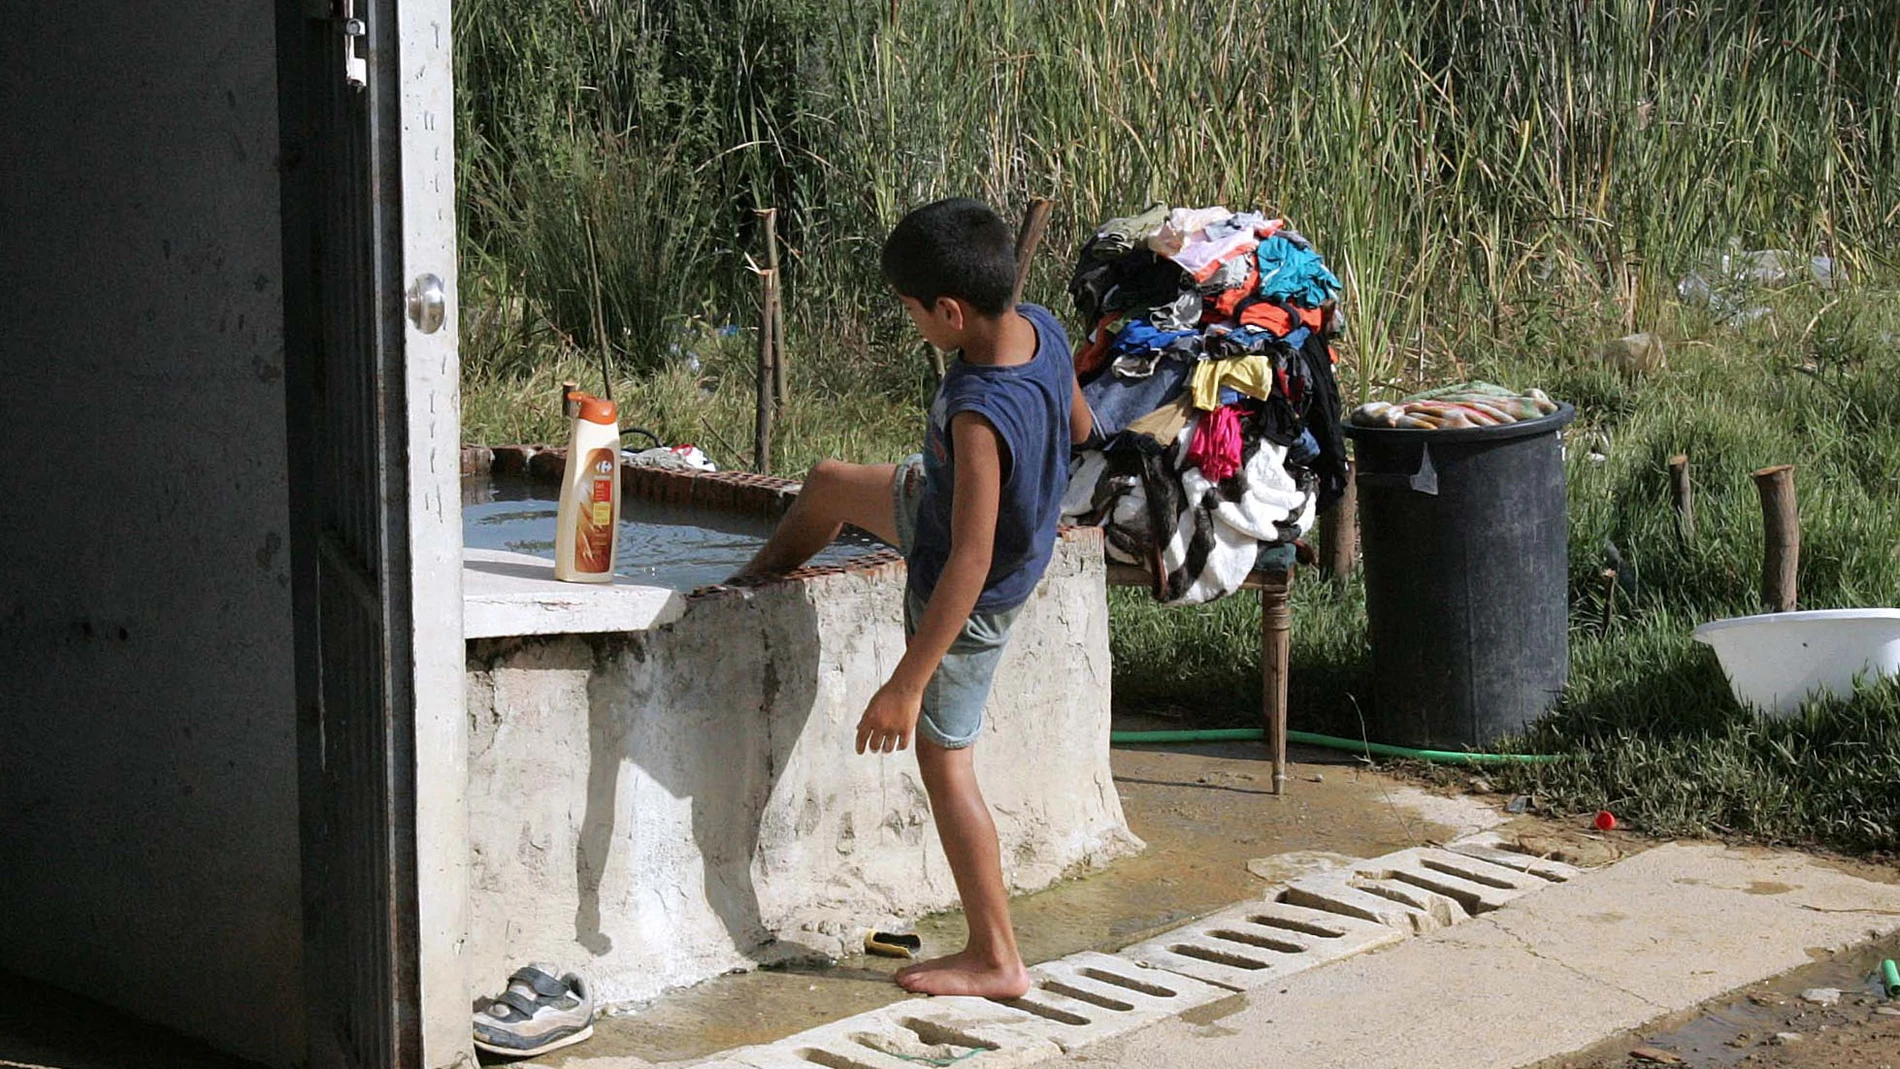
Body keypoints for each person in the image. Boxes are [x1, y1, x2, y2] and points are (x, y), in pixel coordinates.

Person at [732, 197, 1093, 997]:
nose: (913, 325)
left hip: (972, 588)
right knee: (826, 484)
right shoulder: (1043, 326)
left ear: (951, 310)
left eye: (912, 313)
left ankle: (997, 957)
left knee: (945, 759)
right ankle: (744, 582)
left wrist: (906, 682)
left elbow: (967, 561)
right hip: (936, 504)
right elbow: (1078, 423)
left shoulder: (975, 408)